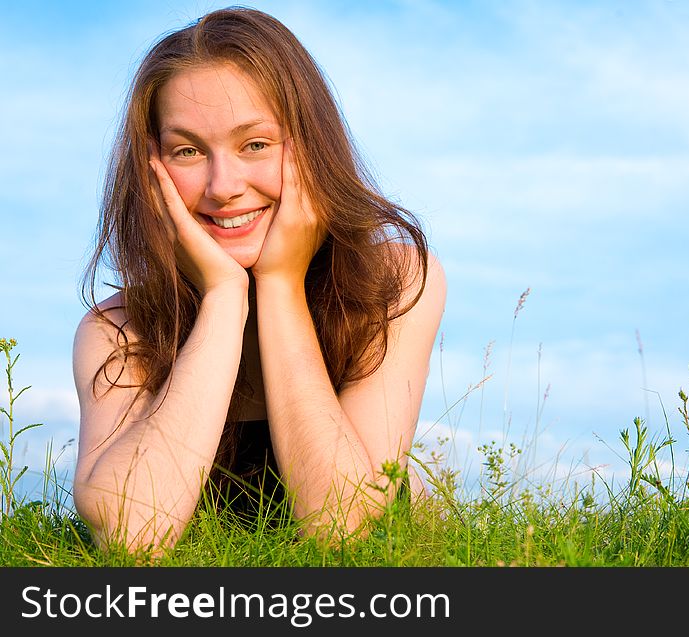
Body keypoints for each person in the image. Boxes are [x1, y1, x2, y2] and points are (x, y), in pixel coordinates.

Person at [71, 6, 446, 554]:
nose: (223, 186)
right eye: (188, 151)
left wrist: (280, 286)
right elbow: (132, 539)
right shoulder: (117, 330)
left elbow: (342, 530)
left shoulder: (393, 281)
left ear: (311, 146)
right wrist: (225, 299)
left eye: (256, 144)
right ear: (150, 170)